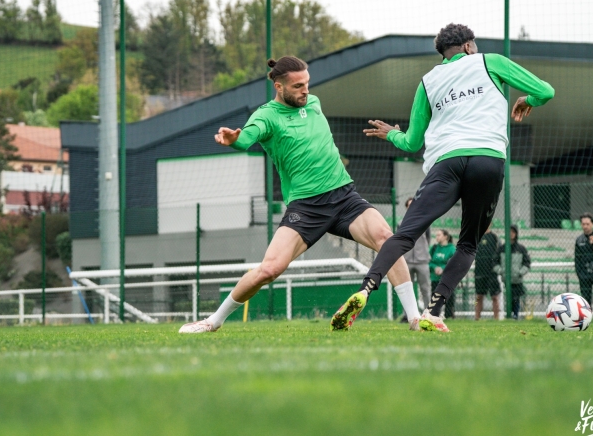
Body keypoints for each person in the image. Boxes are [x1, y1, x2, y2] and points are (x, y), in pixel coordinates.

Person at [333, 22, 554, 332]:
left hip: (445, 163)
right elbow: (546, 91)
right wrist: (527, 101)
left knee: (404, 236)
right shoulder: (490, 61)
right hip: (487, 160)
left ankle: (365, 288)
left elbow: (411, 142)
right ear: (467, 46)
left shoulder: (428, 81)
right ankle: (434, 312)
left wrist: (393, 134)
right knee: (467, 245)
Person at [179, 56, 417, 334]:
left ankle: (415, 320)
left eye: (307, 83)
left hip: (344, 197)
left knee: (387, 239)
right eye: (297, 86)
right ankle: (213, 321)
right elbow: (246, 137)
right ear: (279, 87)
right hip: (306, 208)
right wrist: (235, 140)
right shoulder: (266, 116)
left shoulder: (313, 103)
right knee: (269, 270)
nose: (305, 90)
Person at [492, 225, 531, 319]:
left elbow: (527, 263)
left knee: (516, 298)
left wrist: (520, 272)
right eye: (509, 232)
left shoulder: (521, 249)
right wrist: (501, 271)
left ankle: (515, 315)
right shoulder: (501, 248)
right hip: (505, 279)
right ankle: (510, 315)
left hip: (517, 279)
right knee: (508, 298)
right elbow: (494, 262)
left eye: (513, 232)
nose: (511, 234)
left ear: (516, 234)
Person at [402, 197, 432, 314]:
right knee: (406, 288)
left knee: (425, 288)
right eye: (409, 205)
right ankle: (407, 314)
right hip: (407, 260)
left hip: (422, 260)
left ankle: (429, 312)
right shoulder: (402, 223)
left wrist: (422, 251)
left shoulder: (425, 221)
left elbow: (428, 238)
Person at [474, 223, 500, 320]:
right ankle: (476, 317)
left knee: (495, 296)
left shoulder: (494, 237)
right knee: (478, 297)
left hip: (492, 271)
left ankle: (496, 318)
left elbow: (499, 251)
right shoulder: (476, 236)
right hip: (479, 271)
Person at [428, 229, 456, 318]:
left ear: (445, 237)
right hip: (435, 278)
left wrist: (443, 268)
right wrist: (434, 267)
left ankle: (449, 316)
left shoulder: (452, 249)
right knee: (435, 297)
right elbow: (429, 261)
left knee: (448, 298)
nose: (437, 237)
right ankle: (434, 315)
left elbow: (454, 262)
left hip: (448, 278)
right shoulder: (434, 248)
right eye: (436, 235)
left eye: (439, 235)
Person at [574, 213, 593, 305]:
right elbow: (577, 258)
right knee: (585, 299)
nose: (585, 226)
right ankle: (587, 317)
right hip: (584, 274)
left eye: (587, 224)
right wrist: (579, 273)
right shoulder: (579, 240)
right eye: (583, 224)